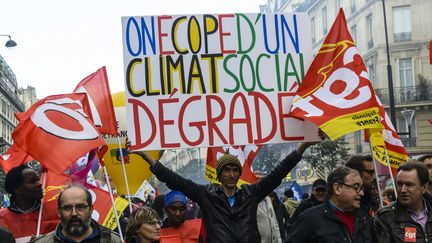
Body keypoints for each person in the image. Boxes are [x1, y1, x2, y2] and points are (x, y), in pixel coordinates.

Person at [128, 139, 317, 243]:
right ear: (219, 175)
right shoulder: (206, 195)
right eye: (227, 170)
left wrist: (302, 147)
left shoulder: (251, 193)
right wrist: (147, 158)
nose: (231, 174)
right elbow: (175, 181)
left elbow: (278, 173)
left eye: (235, 170)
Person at [285, 166, 375, 243]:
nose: (362, 193)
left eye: (361, 188)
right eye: (356, 187)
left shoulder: (365, 218)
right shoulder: (310, 218)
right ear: (337, 188)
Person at [32, 183, 122, 243]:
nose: (74, 213)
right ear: (59, 212)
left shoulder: (113, 240)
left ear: (91, 209)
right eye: (67, 208)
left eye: (80, 207)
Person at [374, 161, 432, 242]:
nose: (403, 190)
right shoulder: (385, 216)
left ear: (424, 187)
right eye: (400, 184)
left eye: (409, 185)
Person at [0, 164, 58, 242]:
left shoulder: (55, 212)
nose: (39, 184)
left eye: (38, 179)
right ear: (17, 189)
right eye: (32, 181)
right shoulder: (2, 218)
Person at [254, 171, 282, 243]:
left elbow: (275, 223)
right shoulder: (248, 201)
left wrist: (279, 240)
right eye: (257, 178)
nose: (260, 181)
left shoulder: (268, 199)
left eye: (262, 179)